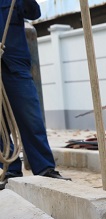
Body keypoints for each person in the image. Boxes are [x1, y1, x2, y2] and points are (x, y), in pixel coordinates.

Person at [0, 0, 70, 189]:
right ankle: (9, 170)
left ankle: (45, 169)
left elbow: (33, 13)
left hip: (16, 67)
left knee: (32, 118)